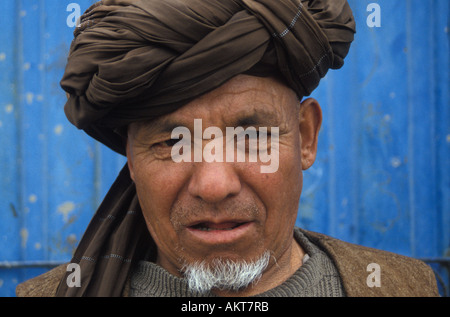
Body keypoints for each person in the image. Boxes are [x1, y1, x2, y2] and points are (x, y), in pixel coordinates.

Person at [16, 0, 438, 297]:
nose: (214, 185)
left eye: (251, 138)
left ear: (306, 137)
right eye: (171, 142)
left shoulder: (407, 287)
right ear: (129, 155)